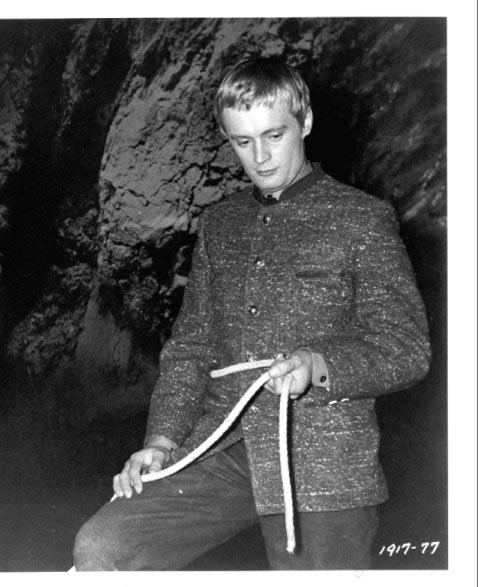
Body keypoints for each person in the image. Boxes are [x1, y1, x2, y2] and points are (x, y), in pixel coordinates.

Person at [73, 56, 432, 570]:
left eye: (273, 136)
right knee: (103, 547)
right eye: (243, 142)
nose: (260, 158)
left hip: (322, 463)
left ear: (305, 122)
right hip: (221, 449)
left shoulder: (362, 219)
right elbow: (191, 349)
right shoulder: (221, 225)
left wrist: (318, 366)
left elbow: (407, 349)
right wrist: (161, 442)